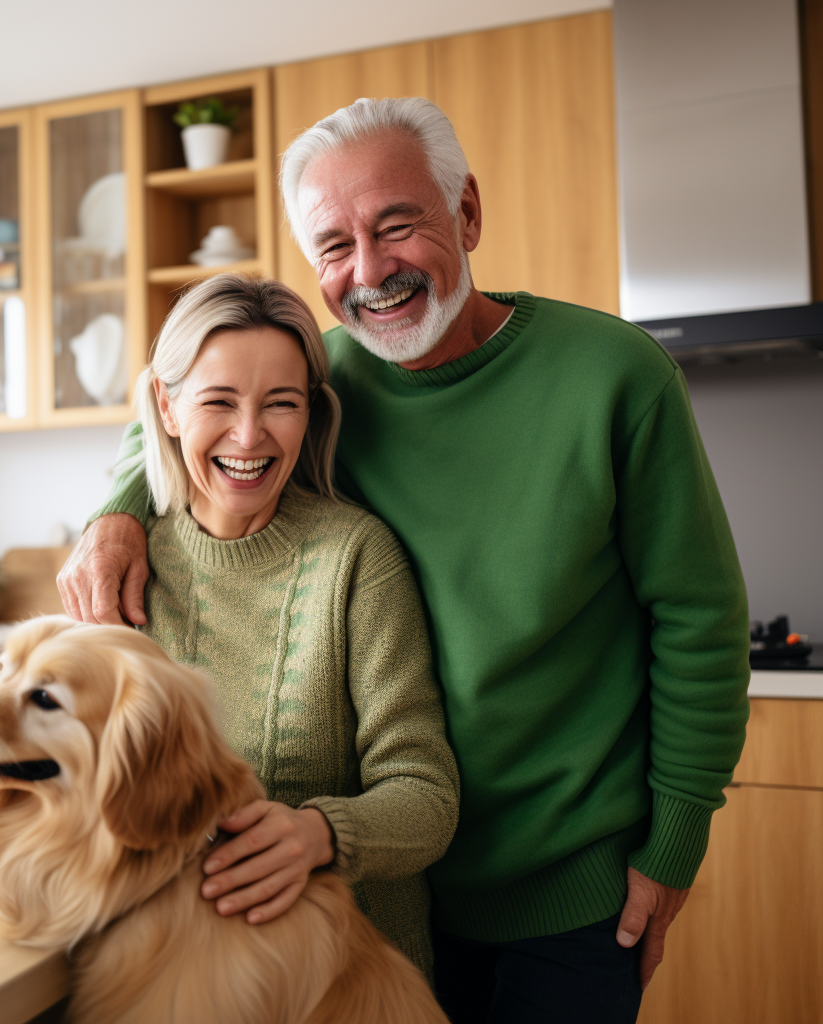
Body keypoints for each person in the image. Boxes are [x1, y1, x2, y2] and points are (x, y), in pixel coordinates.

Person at [59, 98, 750, 1023]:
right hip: (391, 894)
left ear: (466, 215)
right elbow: (192, 406)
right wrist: (115, 512)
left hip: (574, 889)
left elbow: (700, 622)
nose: (371, 271)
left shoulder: (616, 376)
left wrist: (672, 847)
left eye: (398, 226)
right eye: (334, 246)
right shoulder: (322, 379)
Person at [96, 271, 459, 977]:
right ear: (166, 408)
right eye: (219, 401)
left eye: (281, 404)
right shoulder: (120, 567)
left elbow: (427, 794)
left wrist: (319, 833)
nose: (249, 435)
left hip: (345, 975)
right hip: (173, 969)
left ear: (313, 415)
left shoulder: (356, 559)